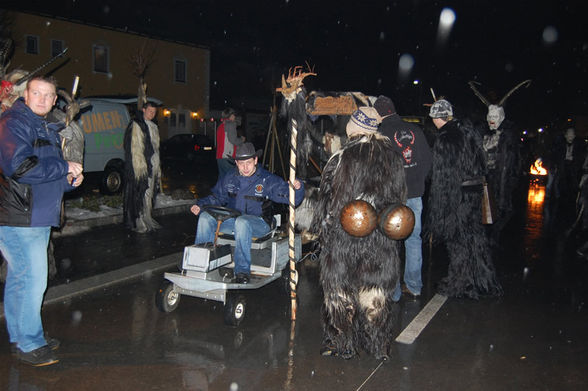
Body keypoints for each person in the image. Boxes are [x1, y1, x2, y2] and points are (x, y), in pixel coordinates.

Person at [311, 107, 407, 360]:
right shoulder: (393, 159)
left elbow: (328, 201)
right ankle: (379, 346)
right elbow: (398, 200)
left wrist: (323, 232)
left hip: (344, 237)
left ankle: (341, 343)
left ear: (354, 128)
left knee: (340, 291)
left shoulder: (343, 157)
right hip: (380, 239)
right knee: (375, 291)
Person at [0, 75, 84, 366]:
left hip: (37, 216)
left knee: (20, 278)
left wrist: (70, 179)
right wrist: (63, 165)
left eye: (49, 96)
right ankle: (29, 342)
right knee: (33, 280)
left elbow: (48, 174)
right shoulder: (14, 122)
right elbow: (20, 167)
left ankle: (20, 335)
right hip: (20, 216)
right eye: (37, 93)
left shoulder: (43, 126)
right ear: (26, 95)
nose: (44, 100)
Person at [190, 142, 304, 283]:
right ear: (236, 163)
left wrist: (297, 188)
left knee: (242, 222)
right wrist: (200, 205)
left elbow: (291, 198)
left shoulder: (267, 180)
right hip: (235, 220)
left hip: (261, 224)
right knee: (205, 218)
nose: (245, 167)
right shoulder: (230, 178)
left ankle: (242, 271)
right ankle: (199, 264)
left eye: (249, 163)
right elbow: (217, 197)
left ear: (255, 160)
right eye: (241, 163)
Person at [426, 99, 502, 299]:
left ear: (435, 118)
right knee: (475, 239)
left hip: (457, 198)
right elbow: (482, 165)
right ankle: (484, 281)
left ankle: (460, 283)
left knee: (457, 242)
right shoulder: (469, 133)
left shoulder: (445, 139)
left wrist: (439, 210)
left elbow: (443, 179)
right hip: (474, 195)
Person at [375, 95, 432, 301]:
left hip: (391, 197)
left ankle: (394, 292)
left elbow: (378, 169)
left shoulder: (381, 134)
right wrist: (417, 182)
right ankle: (414, 286)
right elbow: (427, 161)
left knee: (390, 243)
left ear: (379, 113)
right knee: (413, 241)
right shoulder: (415, 130)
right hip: (415, 195)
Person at [123, 101, 162, 233]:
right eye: (150, 111)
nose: (152, 114)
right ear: (144, 110)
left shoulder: (152, 126)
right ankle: (136, 221)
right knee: (138, 194)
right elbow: (133, 150)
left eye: (154, 112)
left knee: (148, 194)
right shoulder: (136, 125)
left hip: (150, 166)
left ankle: (146, 217)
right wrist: (140, 168)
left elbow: (154, 148)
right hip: (139, 168)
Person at [215, 108, 243, 179]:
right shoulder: (230, 124)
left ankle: (220, 190)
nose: (235, 117)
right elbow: (233, 140)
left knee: (223, 179)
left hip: (220, 157)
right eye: (234, 115)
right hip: (228, 157)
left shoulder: (221, 125)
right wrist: (242, 139)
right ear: (231, 115)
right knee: (231, 180)